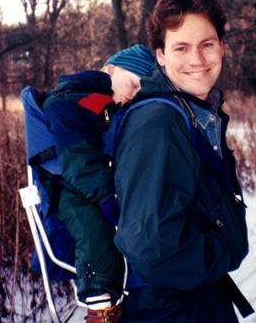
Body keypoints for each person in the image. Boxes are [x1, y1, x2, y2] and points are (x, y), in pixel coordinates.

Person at [110, 0, 253, 322]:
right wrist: (224, 252)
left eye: (206, 44)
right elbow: (151, 247)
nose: (197, 60)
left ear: (222, 46)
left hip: (195, 295)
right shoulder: (159, 123)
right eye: (181, 47)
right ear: (160, 55)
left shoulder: (191, 112)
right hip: (172, 308)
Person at [41, 44, 155, 322]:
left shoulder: (107, 105)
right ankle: (99, 307)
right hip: (71, 189)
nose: (134, 94)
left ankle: (127, 298)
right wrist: (108, 198)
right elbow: (80, 161)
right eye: (134, 84)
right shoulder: (69, 101)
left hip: (96, 184)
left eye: (141, 90)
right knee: (97, 233)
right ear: (110, 69)